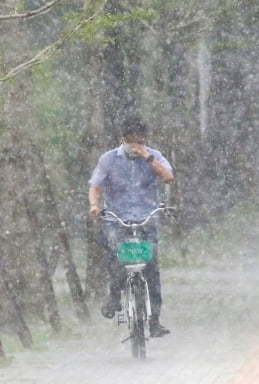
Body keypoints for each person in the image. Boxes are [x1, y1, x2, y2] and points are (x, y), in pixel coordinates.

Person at [88, 116, 174, 337]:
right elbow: (95, 186)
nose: (136, 145)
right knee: (116, 259)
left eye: (140, 140)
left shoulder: (154, 156)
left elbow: (168, 177)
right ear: (122, 139)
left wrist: (148, 158)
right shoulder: (108, 160)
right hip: (117, 219)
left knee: (151, 268)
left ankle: (154, 320)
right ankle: (114, 296)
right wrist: (94, 206)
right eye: (131, 140)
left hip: (146, 218)